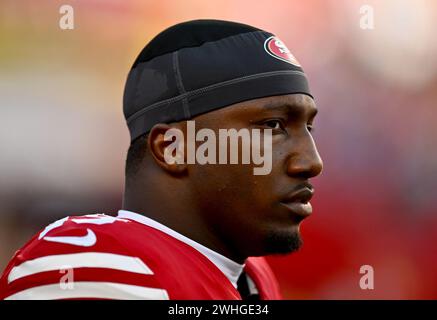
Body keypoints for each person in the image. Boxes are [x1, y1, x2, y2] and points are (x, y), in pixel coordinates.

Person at [0, 19, 323, 300]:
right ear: (173, 148)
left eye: (307, 127)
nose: (311, 162)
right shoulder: (98, 263)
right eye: (272, 126)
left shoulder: (250, 275)